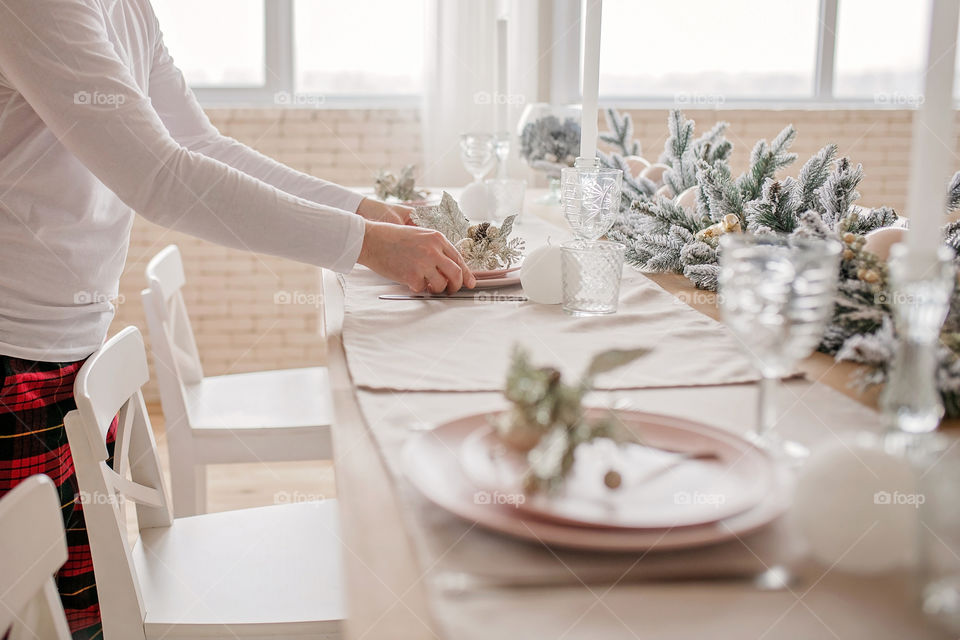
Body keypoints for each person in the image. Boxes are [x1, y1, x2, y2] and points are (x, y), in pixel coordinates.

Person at [0, 0, 475, 636]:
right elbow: (160, 175)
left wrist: (365, 212)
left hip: (66, 340)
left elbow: (198, 143)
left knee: (69, 615)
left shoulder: (127, 8)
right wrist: (364, 242)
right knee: (24, 609)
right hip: (15, 346)